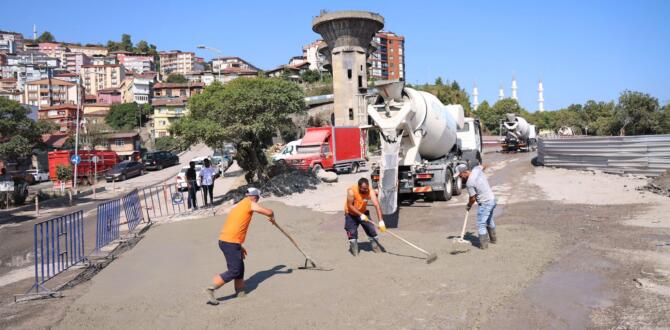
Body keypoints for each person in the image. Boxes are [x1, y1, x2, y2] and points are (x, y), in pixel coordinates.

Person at [206, 188, 275, 305]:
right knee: (235, 270)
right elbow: (268, 212)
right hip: (229, 242)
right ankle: (211, 288)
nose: (257, 201)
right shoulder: (249, 203)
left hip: (230, 241)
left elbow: (236, 226)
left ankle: (240, 292)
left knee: (240, 268)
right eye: (258, 198)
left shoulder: (240, 204)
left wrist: (239, 245)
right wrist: (272, 216)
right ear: (254, 197)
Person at [455, 163, 497, 249]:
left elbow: (472, 198)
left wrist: (469, 205)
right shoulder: (476, 169)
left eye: (460, 175)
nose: (460, 177)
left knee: (481, 224)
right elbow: (484, 165)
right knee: (489, 220)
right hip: (492, 199)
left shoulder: (469, 183)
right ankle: (493, 239)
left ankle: (484, 245)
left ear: (464, 172)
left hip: (485, 203)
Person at [344, 178, 385, 256]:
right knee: (352, 233)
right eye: (363, 189)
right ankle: (355, 252)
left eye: (366, 188)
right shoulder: (351, 191)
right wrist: (361, 215)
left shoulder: (370, 191)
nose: (366, 190)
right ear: (359, 187)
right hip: (351, 214)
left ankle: (376, 247)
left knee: (372, 231)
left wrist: (381, 221)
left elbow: (377, 205)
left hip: (363, 212)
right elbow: (350, 206)